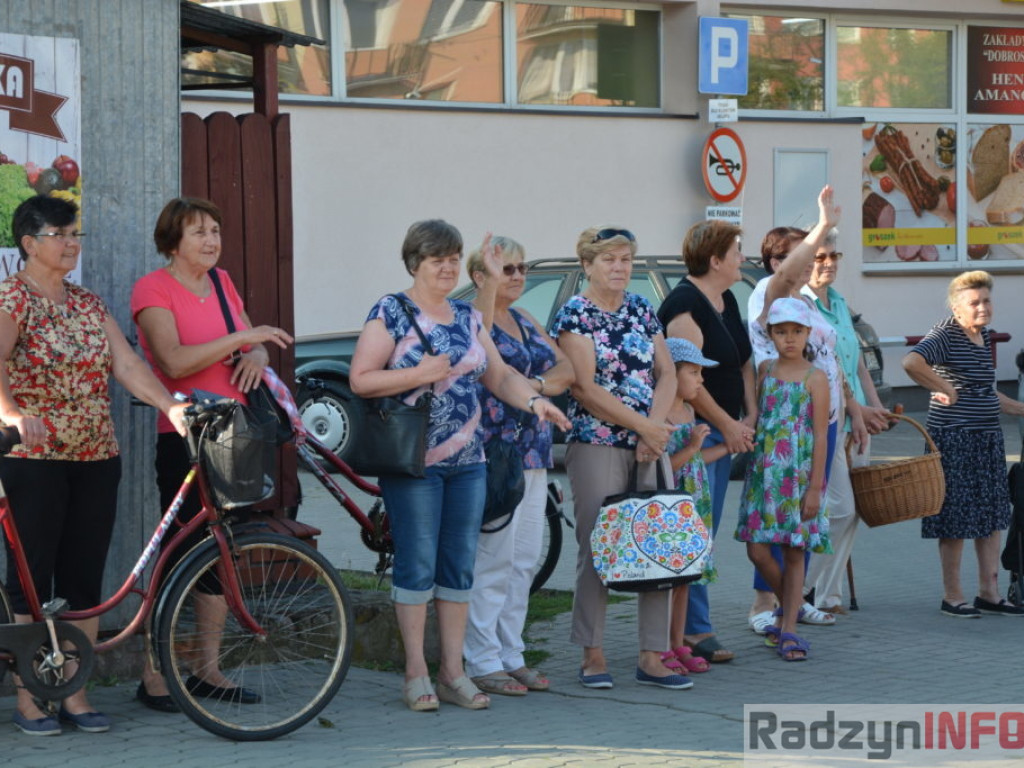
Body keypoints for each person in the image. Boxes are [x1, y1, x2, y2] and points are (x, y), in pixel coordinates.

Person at [349, 220, 569, 713]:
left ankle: (453, 671)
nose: (447, 267)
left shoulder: (468, 317)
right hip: (414, 464)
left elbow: (500, 375)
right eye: (436, 260)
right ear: (414, 265)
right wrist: (418, 373)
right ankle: (415, 672)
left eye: (452, 258)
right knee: (417, 566)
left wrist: (535, 404)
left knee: (457, 569)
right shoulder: (392, 311)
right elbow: (361, 380)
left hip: (470, 463)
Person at [0, 195, 187, 735]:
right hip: (33, 459)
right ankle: (31, 697)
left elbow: (126, 363)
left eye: (75, 232)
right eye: (60, 233)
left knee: (83, 578)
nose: (71, 242)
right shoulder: (14, 298)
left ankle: (75, 694)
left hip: (96, 455)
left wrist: (168, 405)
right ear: (30, 244)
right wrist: (11, 410)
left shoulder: (86, 302)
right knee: (31, 581)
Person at [131, 197, 293, 712]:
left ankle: (208, 670)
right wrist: (245, 337)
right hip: (184, 436)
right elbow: (173, 362)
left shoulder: (222, 282)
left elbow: (251, 345)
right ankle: (155, 676)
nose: (211, 240)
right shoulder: (152, 288)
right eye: (199, 231)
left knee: (224, 551)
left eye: (216, 230)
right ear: (171, 241)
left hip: (235, 437)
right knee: (179, 554)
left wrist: (258, 351)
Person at [552, 226, 689, 691]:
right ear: (587, 265)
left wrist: (654, 430)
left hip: (650, 440)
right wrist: (644, 427)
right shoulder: (576, 315)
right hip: (597, 442)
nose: (619, 268)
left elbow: (666, 371)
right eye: (609, 259)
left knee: (658, 543)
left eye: (626, 259)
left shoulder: (640, 307)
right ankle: (592, 653)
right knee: (600, 545)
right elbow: (584, 388)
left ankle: (652, 656)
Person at [462, 236, 575, 696]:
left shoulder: (526, 319)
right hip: (494, 452)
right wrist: (487, 284)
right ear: (481, 276)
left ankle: (511, 652)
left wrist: (536, 385)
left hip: (533, 451)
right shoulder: (476, 316)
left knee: (525, 559)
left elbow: (567, 369)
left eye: (521, 267)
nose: (517, 276)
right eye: (506, 268)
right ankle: (481, 658)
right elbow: (479, 344)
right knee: (494, 559)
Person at [744, 187, 860, 632]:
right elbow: (782, 281)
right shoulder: (766, 296)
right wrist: (823, 225)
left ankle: (794, 601)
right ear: (779, 263)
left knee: (807, 519)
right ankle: (767, 603)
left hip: (823, 422)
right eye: (804, 256)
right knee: (772, 521)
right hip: (783, 426)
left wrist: (853, 409)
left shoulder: (807, 306)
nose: (814, 262)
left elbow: (832, 361)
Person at [657, 219, 755, 664]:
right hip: (699, 431)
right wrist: (728, 425)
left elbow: (742, 362)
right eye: (737, 252)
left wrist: (749, 414)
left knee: (705, 533)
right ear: (715, 260)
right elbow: (688, 382)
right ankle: (693, 631)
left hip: (728, 426)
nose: (743, 259)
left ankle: (690, 628)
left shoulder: (727, 298)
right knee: (695, 532)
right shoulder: (684, 307)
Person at [902, 270, 1024, 618]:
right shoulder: (946, 332)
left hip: (987, 439)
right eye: (975, 302)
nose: (983, 307)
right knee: (955, 519)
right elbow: (911, 362)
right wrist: (946, 387)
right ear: (957, 308)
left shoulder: (982, 336)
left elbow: (986, 392)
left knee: (991, 516)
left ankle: (990, 593)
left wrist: (1020, 409)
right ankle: (952, 596)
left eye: (987, 300)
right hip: (954, 440)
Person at [736, 297, 830, 661]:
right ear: (771, 334)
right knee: (757, 550)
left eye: (796, 331)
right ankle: (792, 605)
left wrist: (814, 489)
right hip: (764, 475)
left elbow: (820, 435)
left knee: (794, 553)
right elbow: (759, 415)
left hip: (798, 476)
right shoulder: (766, 371)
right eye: (781, 332)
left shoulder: (815, 377)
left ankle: (788, 626)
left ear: (807, 333)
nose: (789, 338)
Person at [802, 230, 890, 613]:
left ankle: (828, 594)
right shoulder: (801, 305)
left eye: (834, 255)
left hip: (857, 418)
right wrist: (857, 410)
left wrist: (875, 407)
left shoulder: (838, 302)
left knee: (853, 512)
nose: (829, 263)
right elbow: (826, 368)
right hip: (828, 418)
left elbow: (855, 362)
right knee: (839, 508)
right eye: (821, 257)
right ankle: (797, 589)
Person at [662, 338, 728, 676]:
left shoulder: (688, 410)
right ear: (670, 375)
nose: (700, 380)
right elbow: (668, 466)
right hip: (672, 509)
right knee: (666, 582)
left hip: (694, 506)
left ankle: (679, 642)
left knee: (686, 579)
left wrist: (730, 447)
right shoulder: (659, 415)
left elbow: (695, 460)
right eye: (694, 372)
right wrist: (693, 445)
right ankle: (661, 646)